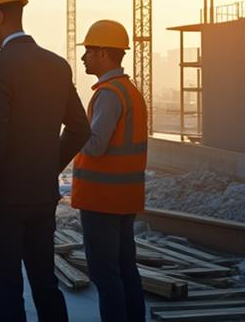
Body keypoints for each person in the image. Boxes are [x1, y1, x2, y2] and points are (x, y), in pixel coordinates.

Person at [0, 0, 91, 322]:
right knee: (45, 285)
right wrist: (48, 166)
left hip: (2, 204)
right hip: (41, 198)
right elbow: (80, 128)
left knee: (7, 296)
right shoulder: (57, 65)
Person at [74, 20, 148, 322]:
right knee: (125, 269)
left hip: (101, 199)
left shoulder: (109, 94)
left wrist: (72, 127)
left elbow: (95, 145)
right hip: (124, 197)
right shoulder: (129, 91)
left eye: (89, 51)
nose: (84, 57)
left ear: (104, 53)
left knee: (105, 275)